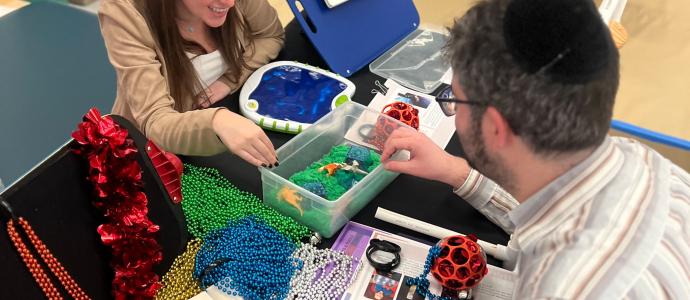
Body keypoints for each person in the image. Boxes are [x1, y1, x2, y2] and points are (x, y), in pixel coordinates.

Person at [381, 0, 690, 298]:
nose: (454, 112)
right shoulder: (644, 163)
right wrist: (457, 172)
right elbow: (543, 214)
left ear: (495, 126)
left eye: (455, 100)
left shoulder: (561, 288)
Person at [99, 0, 281, 167]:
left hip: (222, 119)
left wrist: (229, 80)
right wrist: (216, 121)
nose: (230, 2)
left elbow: (269, 35)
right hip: (151, 156)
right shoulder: (124, 11)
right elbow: (155, 121)